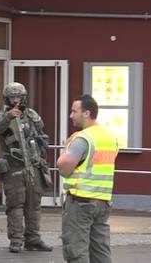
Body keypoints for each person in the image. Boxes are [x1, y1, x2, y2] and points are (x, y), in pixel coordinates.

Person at [0, 82, 53, 253]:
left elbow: (41, 132)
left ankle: (33, 239)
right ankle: (16, 240)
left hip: (33, 166)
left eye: (18, 97)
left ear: (24, 97)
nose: (15, 100)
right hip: (14, 168)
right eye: (12, 97)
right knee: (15, 205)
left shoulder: (32, 115)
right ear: (6, 99)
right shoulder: (0, 116)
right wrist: (9, 116)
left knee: (34, 205)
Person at [57, 95, 118, 263]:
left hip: (80, 201)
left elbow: (63, 167)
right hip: (103, 201)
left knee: (76, 250)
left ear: (86, 113)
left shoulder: (83, 138)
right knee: (100, 251)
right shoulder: (110, 137)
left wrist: (65, 149)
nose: (71, 115)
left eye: (74, 111)